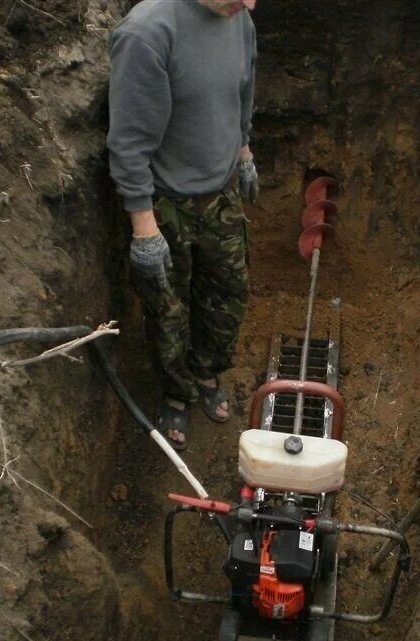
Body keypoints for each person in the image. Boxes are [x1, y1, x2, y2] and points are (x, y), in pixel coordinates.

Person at [107, 0, 259, 451]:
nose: (249, 3)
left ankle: (207, 372)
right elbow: (129, 142)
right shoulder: (147, 35)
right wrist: (143, 225)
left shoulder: (239, 18)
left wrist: (244, 151)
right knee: (168, 310)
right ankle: (177, 392)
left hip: (222, 192)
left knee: (227, 294)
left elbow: (241, 90)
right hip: (165, 202)